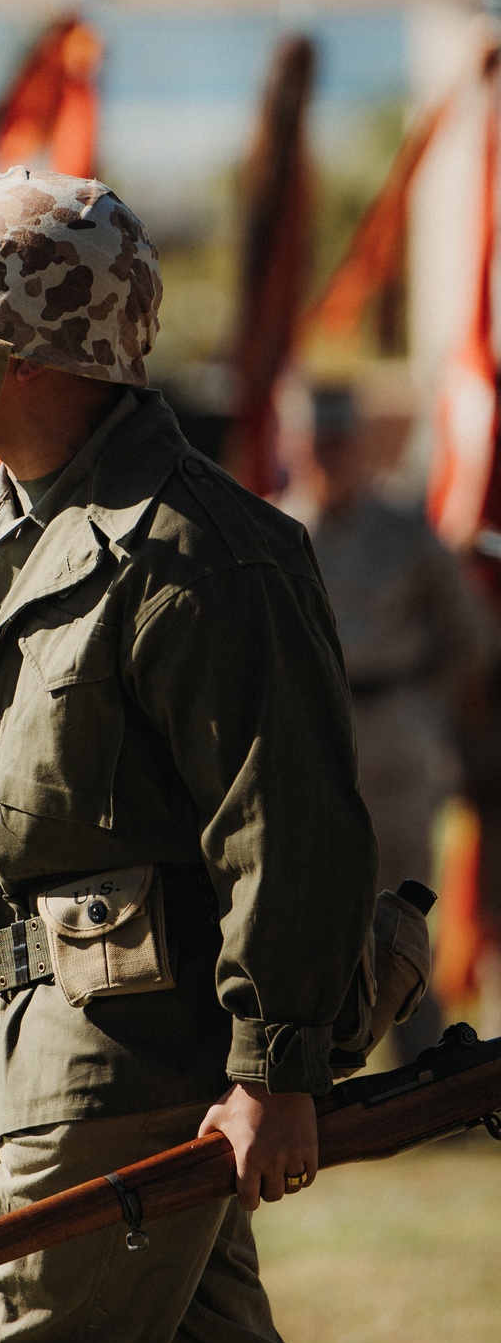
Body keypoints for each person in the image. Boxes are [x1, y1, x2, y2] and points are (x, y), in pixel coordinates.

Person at [0, 167, 378, 1343]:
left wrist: (275, 1068)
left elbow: (285, 825)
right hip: (34, 1039)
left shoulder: (203, 550)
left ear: (29, 345)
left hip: (139, 1048)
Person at [277, 386, 487, 1060]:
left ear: (359, 447)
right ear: (293, 446)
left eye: (337, 443)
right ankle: (321, 1058)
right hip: (316, 737)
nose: (326, 457)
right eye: (314, 443)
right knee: (315, 903)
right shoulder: (275, 530)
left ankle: (428, 1060)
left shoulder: (406, 532)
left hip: (397, 730)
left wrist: (422, 697)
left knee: (409, 897)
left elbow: (470, 635)